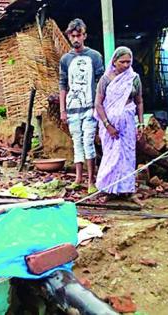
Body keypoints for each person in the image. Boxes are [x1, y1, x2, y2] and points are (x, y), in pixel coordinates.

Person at [94, 46, 144, 204]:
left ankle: (128, 191)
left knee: (128, 157)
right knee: (111, 156)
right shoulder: (106, 79)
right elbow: (98, 104)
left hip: (127, 123)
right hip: (109, 127)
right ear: (114, 62)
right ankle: (110, 190)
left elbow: (139, 101)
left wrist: (141, 123)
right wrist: (108, 125)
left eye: (129, 62)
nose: (126, 65)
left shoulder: (134, 78)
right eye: (122, 62)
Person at [59, 18, 104, 194]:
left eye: (79, 35)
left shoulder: (94, 56)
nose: (76, 39)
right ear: (69, 37)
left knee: (88, 142)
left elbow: (101, 82)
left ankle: (91, 181)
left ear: (84, 35)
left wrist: (98, 105)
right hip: (72, 108)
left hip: (90, 107)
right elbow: (63, 84)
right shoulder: (65, 59)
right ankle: (78, 178)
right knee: (76, 143)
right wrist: (63, 109)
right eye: (73, 36)